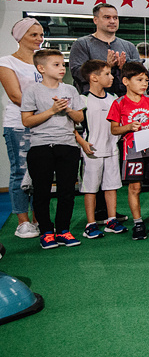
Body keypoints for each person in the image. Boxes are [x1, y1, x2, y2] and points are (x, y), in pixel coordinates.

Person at [20, 49, 86, 249]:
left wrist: (66, 109)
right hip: (41, 147)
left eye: (62, 64)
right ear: (41, 68)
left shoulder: (70, 90)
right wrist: (51, 111)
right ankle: (47, 232)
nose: (61, 68)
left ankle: (64, 230)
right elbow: (27, 121)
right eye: (55, 64)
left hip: (67, 145)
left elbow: (80, 118)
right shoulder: (32, 90)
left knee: (67, 191)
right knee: (42, 191)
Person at [107, 62, 149, 240]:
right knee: (135, 187)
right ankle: (138, 223)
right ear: (126, 81)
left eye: (146, 80)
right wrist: (127, 127)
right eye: (139, 80)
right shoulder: (119, 103)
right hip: (132, 150)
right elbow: (114, 129)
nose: (144, 83)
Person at [0, 18, 45, 239]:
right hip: (18, 125)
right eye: (33, 34)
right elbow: (15, 96)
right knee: (20, 173)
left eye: (41, 34)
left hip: (44, 126)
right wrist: (47, 108)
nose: (39, 38)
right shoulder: (7, 62)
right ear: (20, 37)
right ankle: (23, 222)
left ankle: (39, 220)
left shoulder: (43, 62)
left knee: (41, 175)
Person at [75, 60, 126, 239]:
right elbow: (70, 127)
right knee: (91, 188)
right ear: (94, 78)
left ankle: (111, 220)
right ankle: (90, 224)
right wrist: (82, 142)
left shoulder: (113, 99)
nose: (112, 77)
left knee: (111, 186)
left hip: (112, 149)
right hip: (92, 152)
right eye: (107, 74)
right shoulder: (83, 100)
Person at [69, 3, 140, 96]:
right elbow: (77, 74)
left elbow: (140, 76)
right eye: (107, 17)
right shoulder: (82, 44)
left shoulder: (129, 46)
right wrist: (106, 66)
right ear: (95, 20)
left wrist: (124, 68)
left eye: (115, 18)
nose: (112, 21)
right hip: (94, 102)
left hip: (125, 102)